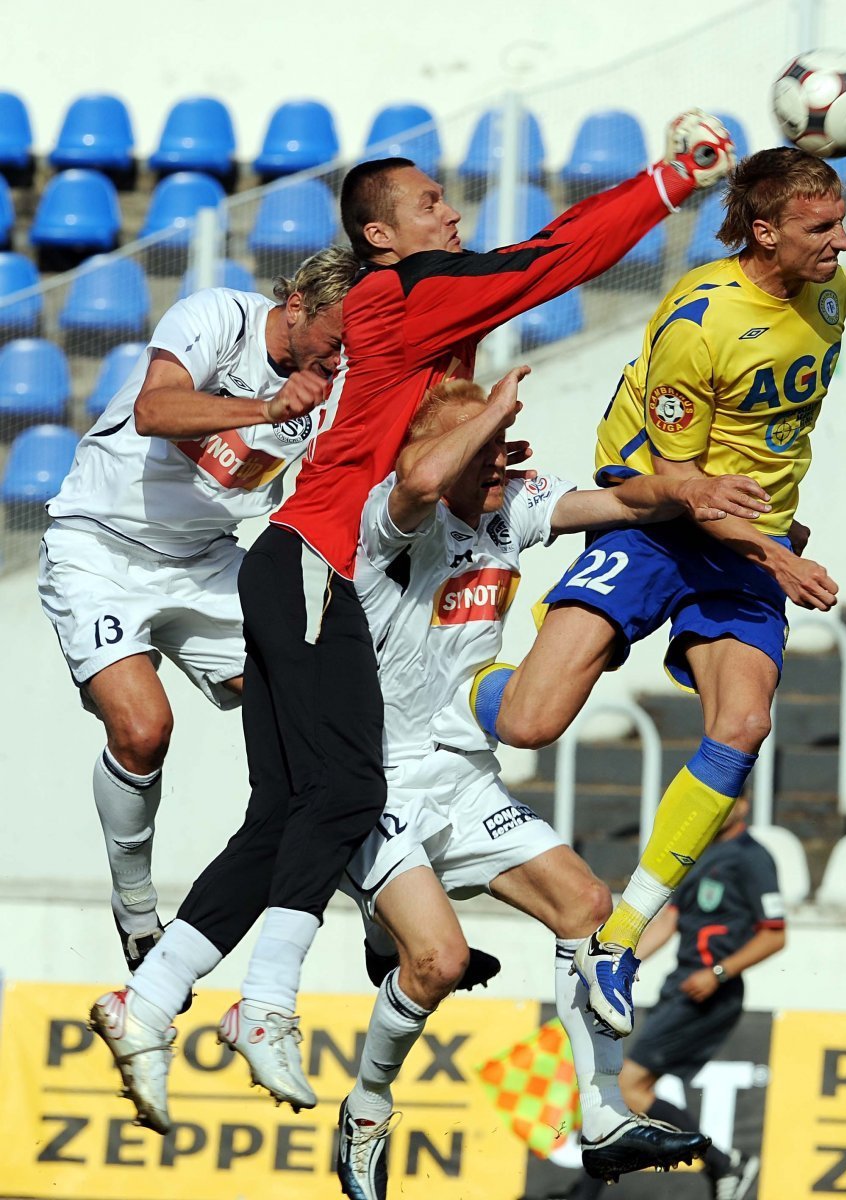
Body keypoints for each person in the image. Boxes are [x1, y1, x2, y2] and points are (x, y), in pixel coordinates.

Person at [86, 110, 737, 1137]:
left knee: (284, 814)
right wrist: (667, 184)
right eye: (430, 201)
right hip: (314, 560)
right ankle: (263, 1005)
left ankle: (146, 1001)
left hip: (296, 564)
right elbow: (545, 259)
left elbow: (519, 263)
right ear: (378, 236)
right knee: (346, 789)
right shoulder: (410, 291)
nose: (452, 209)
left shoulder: (412, 310)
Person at [335, 368, 770, 1199]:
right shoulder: (391, 518)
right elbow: (424, 476)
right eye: (487, 445)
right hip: (377, 779)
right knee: (438, 962)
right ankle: (366, 1108)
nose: (503, 456)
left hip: (463, 774)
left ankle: (601, 1116)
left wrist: (699, 490)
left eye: (504, 443)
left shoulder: (510, 502)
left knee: (587, 906)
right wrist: (482, 419)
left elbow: (627, 504)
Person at [469, 147, 846, 1037]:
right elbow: (682, 485)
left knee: (742, 725)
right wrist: (776, 556)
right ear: (764, 232)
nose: (840, 242)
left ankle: (622, 938)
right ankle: (451, 685)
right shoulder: (698, 319)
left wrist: (772, 535)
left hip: (746, 542)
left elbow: (770, 442)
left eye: (838, 221)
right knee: (528, 723)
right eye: (818, 227)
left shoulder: (830, 293)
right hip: (653, 516)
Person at [39, 248, 357, 973]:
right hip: (101, 548)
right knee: (145, 730)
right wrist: (266, 407)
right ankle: (136, 905)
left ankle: (366, 900)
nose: (342, 358)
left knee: (314, 721)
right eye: (336, 340)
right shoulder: (219, 316)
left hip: (208, 559)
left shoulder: (334, 386)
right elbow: (155, 409)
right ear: (299, 304)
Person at [555, 797, 785, 1200]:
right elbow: (671, 920)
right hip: (681, 986)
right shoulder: (704, 853)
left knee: (626, 1084)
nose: (719, 809)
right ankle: (721, 1163)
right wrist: (619, 959)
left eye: (729, 802)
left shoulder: (752, 858)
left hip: (710, 992)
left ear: (744, 806)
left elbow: (775, 934)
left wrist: (718, 973)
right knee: (628, 1089)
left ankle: (723, 1162)